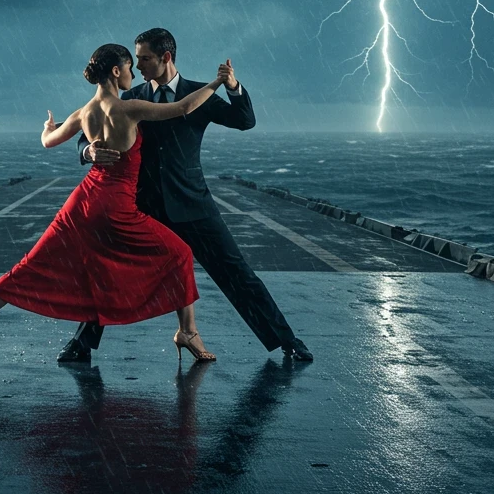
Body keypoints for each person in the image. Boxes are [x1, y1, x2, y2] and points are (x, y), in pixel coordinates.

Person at [0, 43, 232, 362]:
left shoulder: (83, 113)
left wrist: (48, 128)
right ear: (116, 71)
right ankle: (187, 331)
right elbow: (184, 108)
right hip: (117, 208)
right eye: (129, 67)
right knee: (181, 254)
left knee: (24, 270)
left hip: (81, 205)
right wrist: (216, 84)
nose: (133, 73)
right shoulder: (130, 109)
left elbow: (48, 142)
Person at [59, 28, 313, 363]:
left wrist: (233, 86)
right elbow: (90, 128)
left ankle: (286, 341)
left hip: (193, 204)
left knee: (236, 272)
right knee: (110, 270)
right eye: (135, 59)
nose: (138, 66)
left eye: (145, 58)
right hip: (143, 207)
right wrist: (87, 150)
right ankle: (81, 343)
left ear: (166, 58)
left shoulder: (197, 94)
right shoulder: (131, 97)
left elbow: (244, 120)